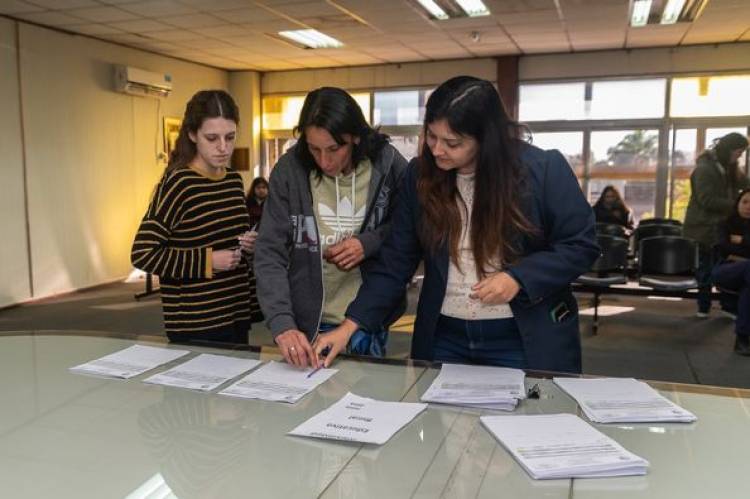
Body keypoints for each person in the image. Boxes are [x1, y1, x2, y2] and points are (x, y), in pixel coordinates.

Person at [313, 76, 599, 373]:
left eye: (453, 143)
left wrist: (517, 278)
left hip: (519, 336)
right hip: (444, 336)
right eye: (431, 136)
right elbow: (396, 262)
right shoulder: (420, 176)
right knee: (435, 417)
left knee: (521, 418)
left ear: (486, 139)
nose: (436, 150)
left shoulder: (543, 170)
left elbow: (581, 245)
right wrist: (349, 326)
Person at [254, 86, 409, 367]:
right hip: (305, 325)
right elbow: (269, 252)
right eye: (315, 149)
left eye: (334, 149)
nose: (324, 161)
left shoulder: (388, 164)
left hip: (366, 318)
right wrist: (282, 323)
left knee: (363, 406)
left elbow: (408, 232)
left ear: (356, 137)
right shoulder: (289, 170)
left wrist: (369, 242)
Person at [131, 90, 256, 344]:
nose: (223, 147)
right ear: (192, 135)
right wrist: (208, 260)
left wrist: (251, 245)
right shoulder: (179, 183)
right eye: (212, 138)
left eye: (230, 137)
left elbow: (232, 240)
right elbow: (143, 253)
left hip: (235, 311)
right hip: (197, 322)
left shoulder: (233, 180)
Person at [684, 132, 750, 318]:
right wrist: (738, 203)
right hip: (703, 227)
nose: (740, 156)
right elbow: (707, 200)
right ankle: (703, 307)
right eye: (739, 151)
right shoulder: (705, 169)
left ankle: (727, 306)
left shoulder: (729, 167)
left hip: (719, 226)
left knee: (725, 266)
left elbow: (745, 185)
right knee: (706, 269)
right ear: (728, 149)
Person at [711, 188, 750, 355]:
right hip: (725, 269)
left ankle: (742, 339)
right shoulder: (725, 223)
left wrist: (740, 241)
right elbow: (723, 247)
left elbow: (732, 247)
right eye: (745, 202)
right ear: (738, 204)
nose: (748, 206)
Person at [245, 176, 269, 323]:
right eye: (259, 187)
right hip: (250, 241)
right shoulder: (248, 204)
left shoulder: (272, 203)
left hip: (265, 241)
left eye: (264, 187)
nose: (261, 190)